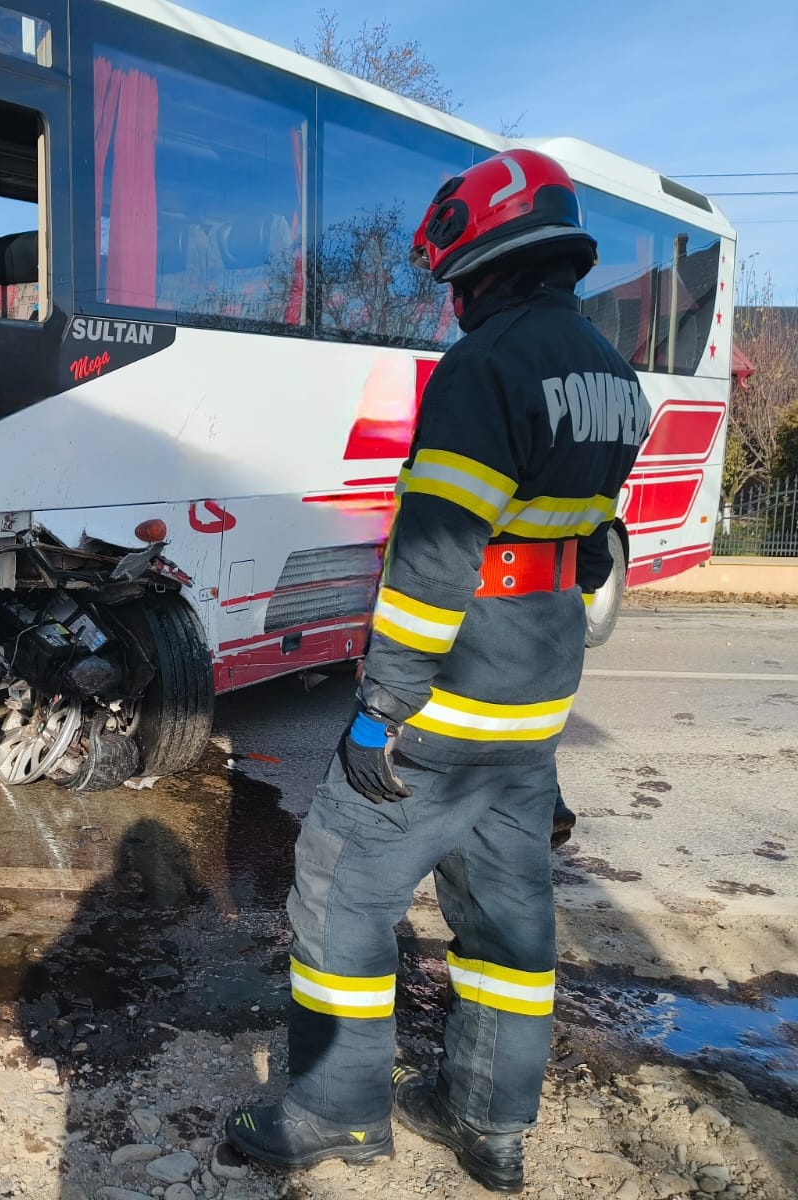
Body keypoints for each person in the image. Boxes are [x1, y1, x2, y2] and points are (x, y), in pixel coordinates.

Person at [225, 148, 647, 1195]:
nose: (452, 301)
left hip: (447, 702)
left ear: (486, 259)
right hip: (534, 706)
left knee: (338, 893)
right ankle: (488, 1125)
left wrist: (381, 705)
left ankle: (336, 1112)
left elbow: (434, 558)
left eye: (455, 279)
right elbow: (593, 545)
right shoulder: (613, 374)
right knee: (506, 924)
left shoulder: (486, 367)